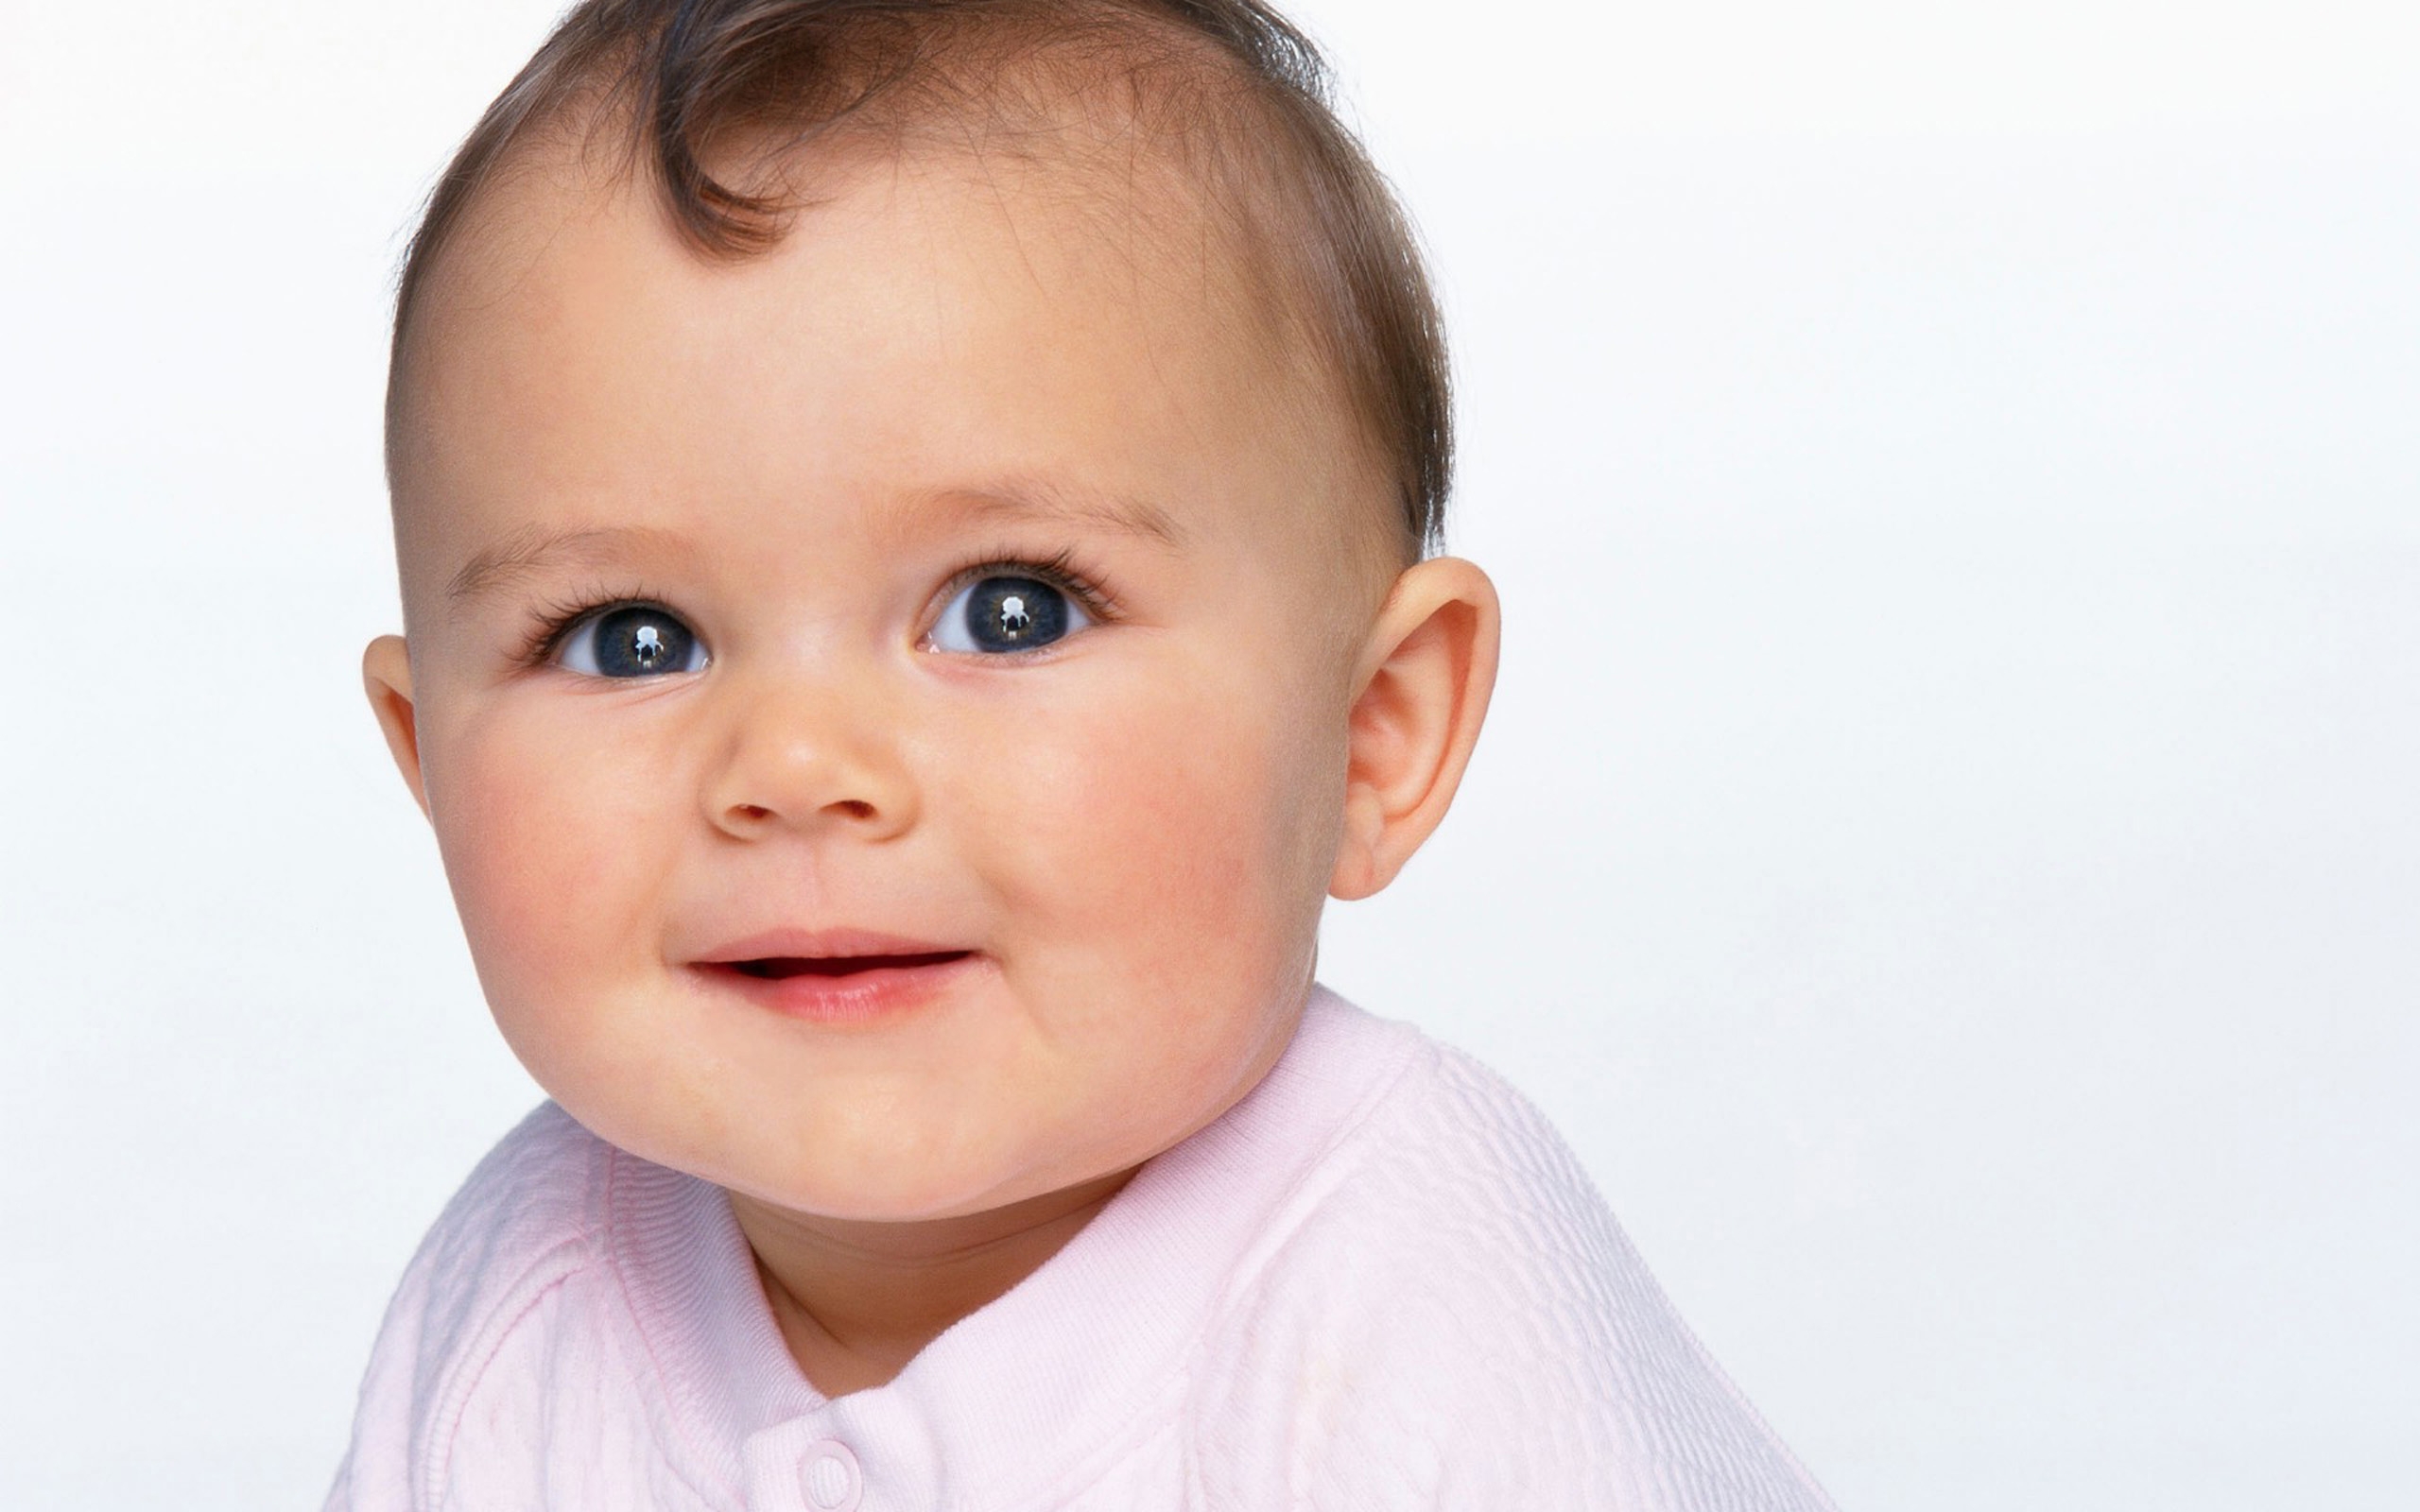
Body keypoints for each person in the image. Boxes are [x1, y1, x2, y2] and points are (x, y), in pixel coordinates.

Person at [329, 1, 1839, 1506]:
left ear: (1374, 731)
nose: (794, 763)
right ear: (427, 763)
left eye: (1010, 611)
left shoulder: (1415, 1302)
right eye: (630, 638)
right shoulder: (516, 1306)